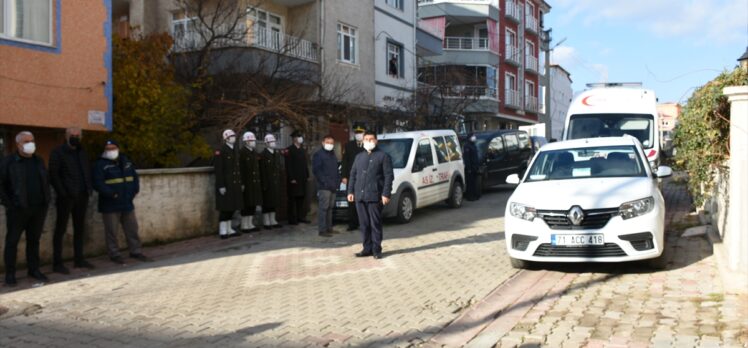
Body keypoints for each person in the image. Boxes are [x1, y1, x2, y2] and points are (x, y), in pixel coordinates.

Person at [0, 131, 51, 286]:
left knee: (34, 240)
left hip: (38, 208)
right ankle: (10, 274)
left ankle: (34, 269)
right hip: (18, 210)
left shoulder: (38, 160)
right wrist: (10, 204)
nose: (30, 143)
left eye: (32, 140)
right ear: (18, 144)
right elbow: (1, 186)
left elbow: (45, 181)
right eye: (26, 141)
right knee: (12, 242)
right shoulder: (9, 161)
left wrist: (45, 200)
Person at [92, 140, 152, 264]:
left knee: (132, 229)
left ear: (118, 148)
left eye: (113, 148)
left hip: (127, 202)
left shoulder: (126, 162)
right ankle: (114, 254)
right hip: (110, 203)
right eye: (108, 148)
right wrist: (112, 194)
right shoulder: (100, 164)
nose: (111, 150)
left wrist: (135, 190)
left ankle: (135, 251)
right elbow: (98, 183)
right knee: (112, 231)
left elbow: (134, 178)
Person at [49, 127, 95, 274]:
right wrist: (63, 193)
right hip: (66, 197)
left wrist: (88, 189)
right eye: (72, 135)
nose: (75, 137)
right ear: (66, 136)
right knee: (60, 230)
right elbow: (54, 175)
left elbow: (87, 171)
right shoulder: (58, 152)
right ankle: (57, 263)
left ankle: (79, 259)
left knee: (80, 228)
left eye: (77, 135)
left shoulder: (82, 152)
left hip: (82, 195)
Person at [347, 130, 394, 259]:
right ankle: (366, 248)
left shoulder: (383, 156)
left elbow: (388, 176)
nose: (369, 141)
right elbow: (353, 175)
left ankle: (376, 250)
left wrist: (386, 194)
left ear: (376, 141)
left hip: (375, 196)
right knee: (364, 224)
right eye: (366, 139)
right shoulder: (359, 157)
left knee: (375, 224)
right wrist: (350, 191)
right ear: (362, 141)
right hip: (360, 196)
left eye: (371, 139)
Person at [213, 130, 243, 239]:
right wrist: (221, 185)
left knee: (232, 207)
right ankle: (223, 230)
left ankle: (229, 228)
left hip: (234, 184)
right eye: (231, 136)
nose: (233, 138)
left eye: (234, 136)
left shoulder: (234, 150)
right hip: (226, 184)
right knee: (225, 208)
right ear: (226, 138)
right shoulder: (221, 150)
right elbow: (219, 170)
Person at [312, 135, 340, 237]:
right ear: (323, 143)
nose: (330, 145)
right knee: (323, 208)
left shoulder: (333, 154)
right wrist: (325, 182)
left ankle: (329, 228)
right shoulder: (318, 155)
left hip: (333, 186)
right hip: (324, 187)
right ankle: (322, 230)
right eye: (328, 142)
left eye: (332, 143)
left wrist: (337, 182)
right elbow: (317, 171)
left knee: (330, 208)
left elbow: (336, 170)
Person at [341, 125, 365, 231]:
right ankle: (352, 223)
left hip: (364, 177)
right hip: (352, 178)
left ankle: (363, 223)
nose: (358, 134)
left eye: (361, 132)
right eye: (357, 133)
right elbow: (345, 162)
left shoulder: (367, 145)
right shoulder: (348, 145)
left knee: (363, 201)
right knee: (351, 201)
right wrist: (344, 176)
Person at [285, 130, 309, 225]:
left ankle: (300, 216)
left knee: (301, 198)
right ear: (294, 139)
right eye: (298, 136)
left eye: (300, 136)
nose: (300, 138)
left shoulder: (302, 150)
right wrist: (291, 178)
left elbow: (304, 164)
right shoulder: (289, 150)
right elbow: (288, 165)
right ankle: (292, 218)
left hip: (302, 178)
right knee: (293, 199)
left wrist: (307, 175)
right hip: (294, 179)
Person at [239, 131, 262, 233]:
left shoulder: (254, 152)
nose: (253, 142)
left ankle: (250, 223)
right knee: (246, 203)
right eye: (251, 140)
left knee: (253, 203)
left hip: (254, 182)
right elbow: (241, 169)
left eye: (253, 140)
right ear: (246, 142)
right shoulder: (242, 153)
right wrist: (242, 183)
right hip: (247, 182)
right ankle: (244, 224)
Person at [259, 134, 282, 229]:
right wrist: (264, 184)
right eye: (271, 142)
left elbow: (278, 168)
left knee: (274, 202)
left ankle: (273, 219)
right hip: (267, 182)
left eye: (274, 141)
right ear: (266, 143)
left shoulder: (276, 153)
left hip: (275, 182)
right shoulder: (263, 155)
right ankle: (266, 221)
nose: (273, 143)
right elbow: (262, 171)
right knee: (267, 203)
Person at [463, 133, 481, 201]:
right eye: (473, 136)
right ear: (470, 138)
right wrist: (469, 168)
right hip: (470, 168)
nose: (474, 137)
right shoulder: (467, 146)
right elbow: (467, 158)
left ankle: (475, 195)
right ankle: (470, 196)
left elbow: (475, 157)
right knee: (470, 183)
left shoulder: (473, 145)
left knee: (474, 183)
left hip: (475, 167)